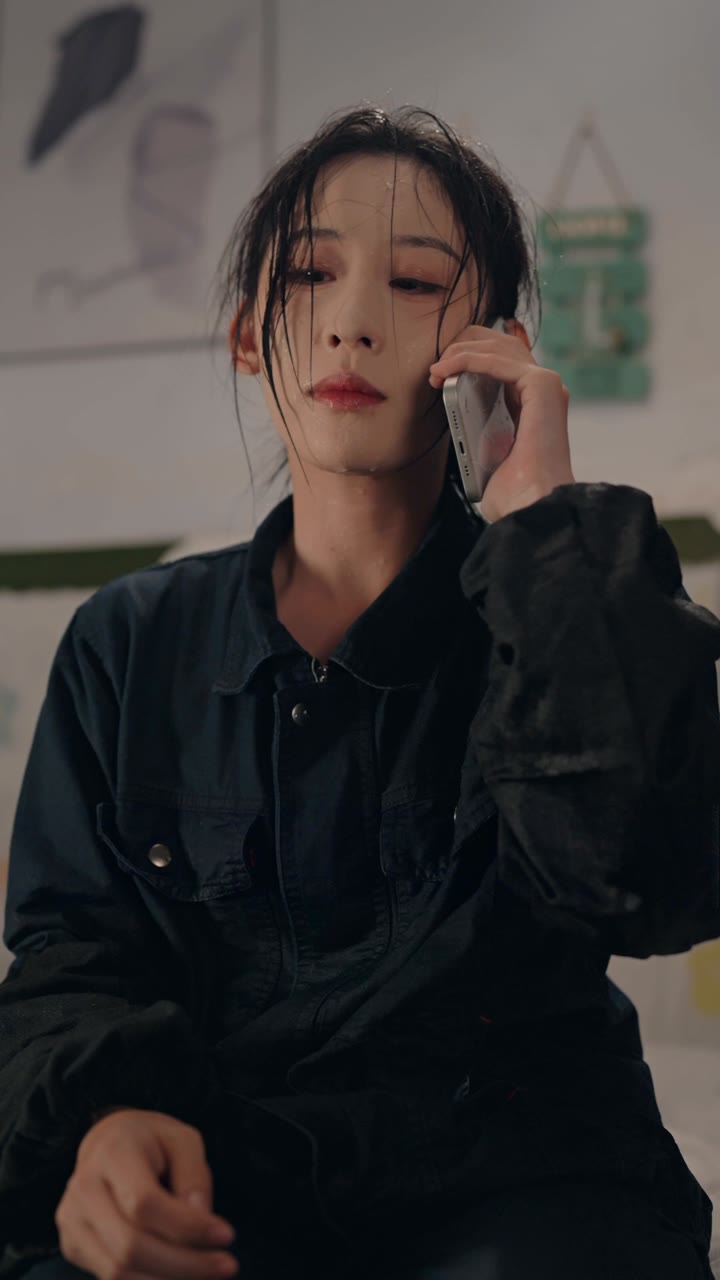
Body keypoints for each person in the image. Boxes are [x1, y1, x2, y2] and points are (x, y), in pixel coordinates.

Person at [1, 103, 718, 1280]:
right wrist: (107, 1118)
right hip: (230, 1177)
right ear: (248, 335)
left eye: (416, 280)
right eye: (308, 275)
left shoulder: (573, 598)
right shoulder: (128, 642)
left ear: (493, 345)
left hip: (525, 1179)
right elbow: (72, 955)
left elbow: (646, 880)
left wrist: (541, 521)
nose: (350, 320)